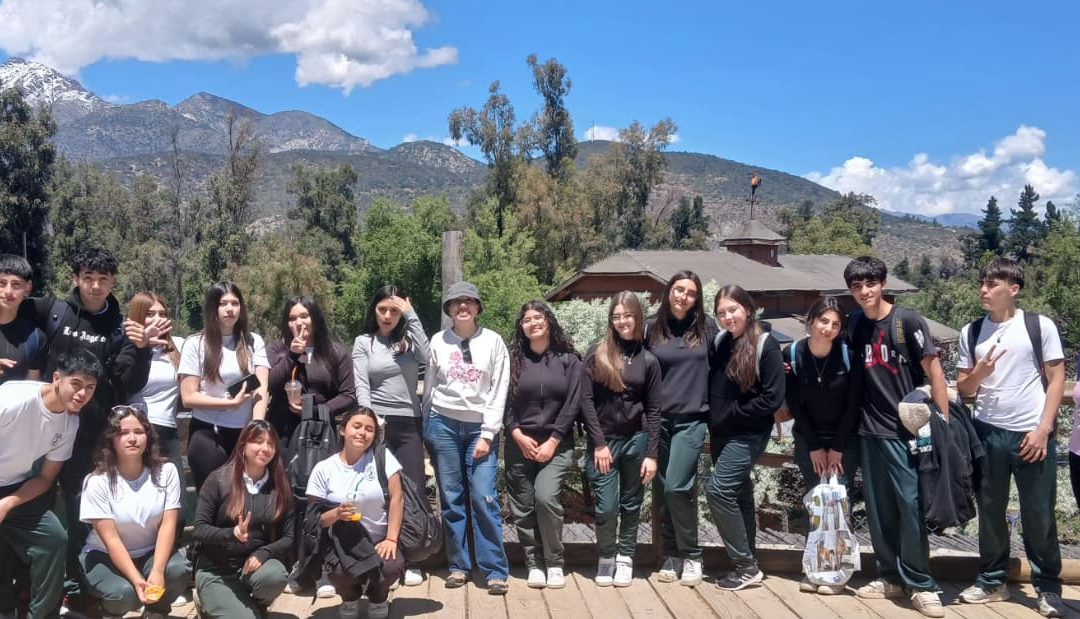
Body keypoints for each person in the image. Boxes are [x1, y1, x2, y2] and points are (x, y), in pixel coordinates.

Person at [18, 247, 154, 611]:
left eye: (103, 280)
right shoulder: (52, 311)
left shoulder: (121, 327)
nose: (95, 286)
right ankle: (29, 589)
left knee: (81, 514)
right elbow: (10, 317)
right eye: (88, 278)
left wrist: (142, 349)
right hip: (41, 434)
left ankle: (78, 590)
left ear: (113, 283)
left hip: (89, 439)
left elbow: (128, 382)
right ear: (76, 278)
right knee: (34, 512)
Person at [956, 258, 1066, 618]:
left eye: (992, 285)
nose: (983, 291)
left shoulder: (1038, 326)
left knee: (1039, 514)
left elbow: (1057, 379)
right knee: (989, 511)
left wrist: (1044, 429)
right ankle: (992, 581)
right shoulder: (970, 332)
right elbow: (965, 390)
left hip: (1032, 433)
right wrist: (980, 372)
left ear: (1013, 289)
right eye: (982, 284)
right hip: (986, 433)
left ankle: (1048, 588)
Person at [844, 256, 947, 618]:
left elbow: (934, 370)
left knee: (910, 505)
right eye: (857, 286)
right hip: (869, 430)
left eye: (870, 283)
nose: (864, 291)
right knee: (879, 508)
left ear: (883, 283)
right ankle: (889, 574)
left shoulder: (906, 321)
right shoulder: (855, 325)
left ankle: (920, 583)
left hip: (906, 431)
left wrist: (943, 422)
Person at [422, 281, 510, 594]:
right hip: (443, 424)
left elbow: (498, 390)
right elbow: (430, 389)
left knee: (484, 497)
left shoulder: (494, 342)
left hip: (479, 430)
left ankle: (495, 569)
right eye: (456, 302)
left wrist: (488, 434)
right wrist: (426, 427)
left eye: (469, 302)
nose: (463, 307)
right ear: (448, 309)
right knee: (451, 497)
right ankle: (458, 565)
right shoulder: (438, 341)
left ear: (477, 308)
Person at [0, 350, 102, 619]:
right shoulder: (12, 400)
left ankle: (42, 614)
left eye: (90, 388)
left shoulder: (70, 422)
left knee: (54, 538)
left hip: (14, 487)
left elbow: (45, 477)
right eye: (76, 384)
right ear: (57, 378)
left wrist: (9, 502)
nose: (82, 394)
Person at [266, 295, 355, 596]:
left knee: (319, 498)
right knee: (288, 498)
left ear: (315, 318)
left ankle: (322, 568)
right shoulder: (277, 349)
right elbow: (270, 383)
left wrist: (317, 409)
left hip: (319, 435)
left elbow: (348, 395)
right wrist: (292, 356)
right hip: (285, 433)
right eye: (292, 318)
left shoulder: (335, 352)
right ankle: (294, 565)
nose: (298, 323)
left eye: (304, 316)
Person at [706, 285, 785, 591]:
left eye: (733, 310)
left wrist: (731, 415)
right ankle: (747, 562)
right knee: (739, 493)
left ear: (748, 309)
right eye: (722, 312)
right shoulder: (720, 341)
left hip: (748, 433)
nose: (728, 317)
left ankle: (745, 564)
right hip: (721, 433)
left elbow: (772, 399)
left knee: (718, 491)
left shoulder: (767, 345)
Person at [580, 291, 661, 588]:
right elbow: (585, 401)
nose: (622, 321)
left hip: (636, 441)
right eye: (616, 316)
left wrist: (652, 454)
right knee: (606, 506)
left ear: (638, 317)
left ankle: (626, 557)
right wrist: (599, 443)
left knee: (631, 502)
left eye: (627, 315)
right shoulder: (597, 352)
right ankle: (606, 557)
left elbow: (654, 410)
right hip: (604, 442)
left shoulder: (649, 360)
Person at [78, 405, 190, 619]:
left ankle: (155, 612)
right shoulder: (96, 482)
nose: (132, 438)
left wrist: (157, 571)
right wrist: (137, 580)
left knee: (177, 571)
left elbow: (168, 524)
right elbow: (111, 539)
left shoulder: (166, 472)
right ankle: (110, 612)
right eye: (123, 433)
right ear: (111, 439)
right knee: (124, 595)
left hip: (149, 551)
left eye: (139, 432)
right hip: (104, 554)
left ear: (148, 437)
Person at [351, 286, 429, 587]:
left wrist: (411, 315)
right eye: (382, 309)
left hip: (409, 421)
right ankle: (384, 558)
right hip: (378, 424)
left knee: (413, 488)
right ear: (374, 310)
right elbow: (361, 385)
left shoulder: (409, 340)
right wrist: (371, 421)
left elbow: (428, 355)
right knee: (380, 492)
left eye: (394, 311)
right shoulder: (364, 342)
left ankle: (412, 558)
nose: (387, 316)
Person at [785, 296, 861, 595]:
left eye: (835, 324)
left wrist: (837, 447)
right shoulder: (793, 353)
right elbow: (795, 404)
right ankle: (814, 569)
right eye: (823, 321)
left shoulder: (848, 355)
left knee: (840, 505)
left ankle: (837, 573)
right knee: (815, 504)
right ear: (811, 320)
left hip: (844, 440)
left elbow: (854, 404)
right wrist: (815, 446)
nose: (828, 328)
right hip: (809, 439)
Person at [504, 301, 583, 590]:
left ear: (549, 321)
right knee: (523, 504)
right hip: (518, 442)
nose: (533, 323)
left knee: (545, 498)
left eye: (538, 317)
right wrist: (515, 433)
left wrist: (553, 440)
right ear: (521, 326)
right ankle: (533, 563)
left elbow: (573, 403)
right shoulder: (513, 359)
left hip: (557, 443)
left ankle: (554, 563)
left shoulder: (569, 360)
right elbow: (504, 401)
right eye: (527, 319)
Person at [646, 270, 716, 587]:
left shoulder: (707, 327)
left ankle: (692, 555)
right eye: (678, 289)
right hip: (658, 420)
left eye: (689, 292)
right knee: (661, 491)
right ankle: (672, 554)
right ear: (669, 291)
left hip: (692, 419)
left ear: (697, 298)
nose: (682, 296)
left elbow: (728, 364)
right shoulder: (651, 327)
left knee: (677, 486)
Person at [303, 407, 405, 619]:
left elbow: (397, 498)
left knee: (392, 565)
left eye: (369, 429)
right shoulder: (324, 468)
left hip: (378, 540)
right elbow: (313, 520)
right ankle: (349, 597)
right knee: (340, 572)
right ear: (342, 430)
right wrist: (337, 514)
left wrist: (391, 539)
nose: (362, 433)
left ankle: (378, 596)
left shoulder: (382, 458)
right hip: (341, 544)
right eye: (356, 426)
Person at [191, 420, 294, 619]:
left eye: (271, 444)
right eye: (258, 442)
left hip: (252, 567)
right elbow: (199, 529)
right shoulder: (219, 479)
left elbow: (289, 537)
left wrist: (265, 552)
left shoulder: (280, 485)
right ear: (243, 446)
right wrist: (231, 533)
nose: (265, 448)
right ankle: (208, 601)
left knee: (275, 576)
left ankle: (251, 606)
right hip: (217, 569)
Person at [180, 282, 270, 491]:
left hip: (245, 433)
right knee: (213, 500)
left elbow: (261, 388)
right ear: (213, 307)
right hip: (208, 433)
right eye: (223, 303)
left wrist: (257, 426)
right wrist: (228, 404)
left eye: (235, 303)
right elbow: (188, 396)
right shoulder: (196, 343)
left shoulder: (253, 341)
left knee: (245, 498)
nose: (230, 309)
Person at [126, 293, 187, 505]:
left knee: (175, 501)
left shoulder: (178, 346)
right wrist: (140, 345)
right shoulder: (127, 347)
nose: (157, 319)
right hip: (135, 431)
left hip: (167, 431)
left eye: (162, 314)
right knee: (142, 500)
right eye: (150, 314)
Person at [0, 254, 45, 383]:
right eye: (2, 283)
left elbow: (31, 387)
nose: (8, 291)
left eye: (16, 285)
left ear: (27, 288)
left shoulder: (34, 338)